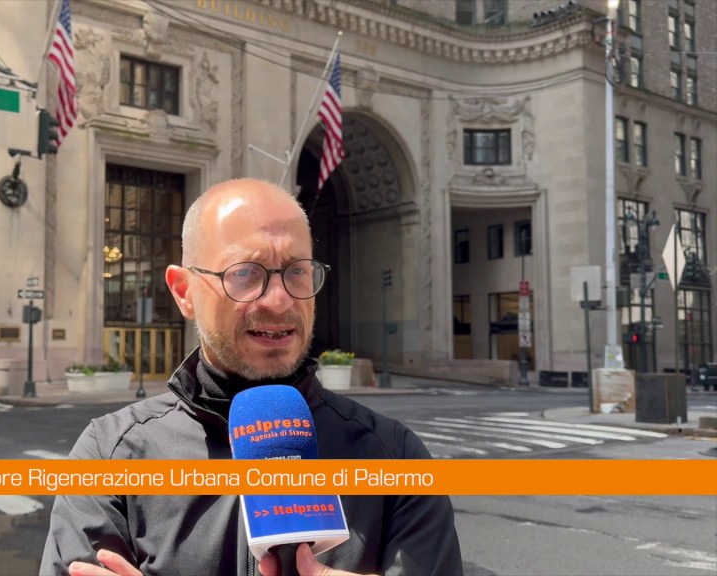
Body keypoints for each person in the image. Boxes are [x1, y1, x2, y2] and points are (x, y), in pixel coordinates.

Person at [40, 178, 464, 576]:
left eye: (297, 270)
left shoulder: (396, 456)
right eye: (245, 272)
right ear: (184, 292)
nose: (279, 301)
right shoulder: (109, 455)